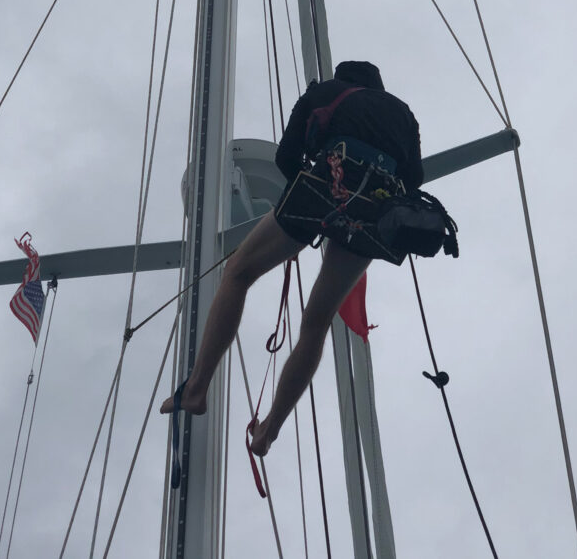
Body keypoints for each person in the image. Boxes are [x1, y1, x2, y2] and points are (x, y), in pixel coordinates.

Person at [160, 60, 421, 457]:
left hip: (324, 190)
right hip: (374, 214)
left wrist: (300, 212)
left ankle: (196, 389)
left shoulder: (324, 92)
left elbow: (286, 157)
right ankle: (269, 430)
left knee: (238, 273)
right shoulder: (403, 114)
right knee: (316, 323)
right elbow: (414, 179)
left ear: (342, 78)